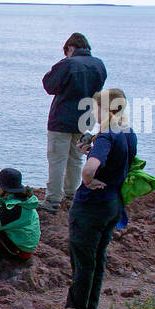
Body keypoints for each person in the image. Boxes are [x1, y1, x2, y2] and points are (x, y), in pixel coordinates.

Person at [66, 89, 136, 309]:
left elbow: (91, 167)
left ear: (105, 108)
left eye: (95, 107)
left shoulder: (106, 135)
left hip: (92, 206)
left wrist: (88, 179)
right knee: (97, 259)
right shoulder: (127, 131)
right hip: (113, 203)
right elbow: (125, 161)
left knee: (82, 260)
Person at [42, 32, 108, 214]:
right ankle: (71, 194)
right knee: (76, 157)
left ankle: (53, 199)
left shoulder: (68, 64)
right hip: (85, 117)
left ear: (70, 48)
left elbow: (50, 86)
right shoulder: (99, 64)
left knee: (57, 159)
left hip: (62, 118)